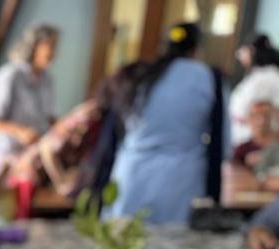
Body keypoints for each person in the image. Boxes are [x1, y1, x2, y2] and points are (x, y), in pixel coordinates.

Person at [107, 23, 230, 225]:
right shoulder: (207, 77)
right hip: (179, 180)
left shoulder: (140, 74)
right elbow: (223, 144)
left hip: (131, 174)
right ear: (196, 49)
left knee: (121, 245)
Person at [0, 22, 60, 183]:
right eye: (51, 46)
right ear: (36, 45)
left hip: (26, 162)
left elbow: (50, 118)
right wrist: (19, 131)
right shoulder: (9, 76)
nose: (55, 52)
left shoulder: (47, 80)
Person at [230, 33, 279, 144]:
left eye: (243, 51)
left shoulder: (267, 76)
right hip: (243, 135)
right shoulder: (259, 74)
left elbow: (261, 113)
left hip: (252, 139)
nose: (240, 55)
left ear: (252, 51)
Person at [232, 98, 277, 167]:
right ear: (248, 119)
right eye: (256, 115)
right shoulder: (241, 151)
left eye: (267, 115)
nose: (262, 121)